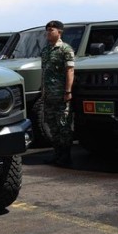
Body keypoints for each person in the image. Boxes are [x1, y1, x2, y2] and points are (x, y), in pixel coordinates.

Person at [41, 20, 75, 167]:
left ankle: (65, 157)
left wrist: (68, 91)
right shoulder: (46, 50)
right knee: (52, 125)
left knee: (63, 126)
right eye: (47, 30)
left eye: (51, 30)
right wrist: (43, 91)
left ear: (59, 32)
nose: (48, 33)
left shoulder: (65, 49)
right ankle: (57, 155)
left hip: (61, 94)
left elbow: (70, 71)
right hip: (48, 95)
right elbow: (44, 72)